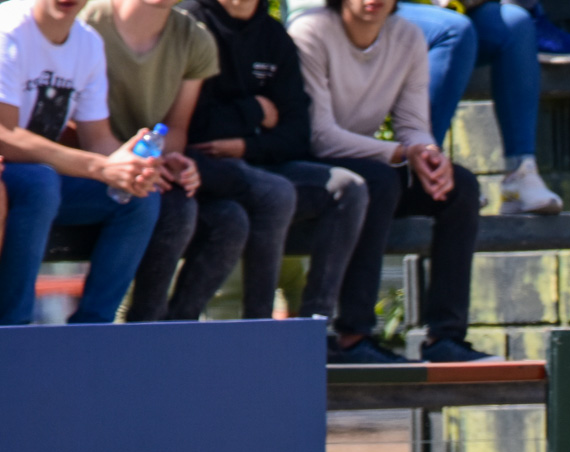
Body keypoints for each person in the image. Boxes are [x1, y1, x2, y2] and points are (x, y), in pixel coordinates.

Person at [290, 0, 486, 363]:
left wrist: (428, 155)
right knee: (380, 182)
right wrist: (400, 153)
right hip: (309, 168)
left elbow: (412, 124)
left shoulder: (408, 35)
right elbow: (319, 135)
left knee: (460, 187)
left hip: (371, 161)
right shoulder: (309, 31)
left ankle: (446, 336)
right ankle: (353, 334)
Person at [284, 0, 570, 214]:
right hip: (353, 9)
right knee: (452, 29)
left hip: (442, 7)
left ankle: (520, 174)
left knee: (515, 22)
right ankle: (427, 169)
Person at [181, 0, 367, 322]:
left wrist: (244, 145)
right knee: (272, 193)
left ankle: (317, 327)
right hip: (200, 167)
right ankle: (258, 324)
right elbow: (195, 126)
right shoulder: (189, 23)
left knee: (347, 188)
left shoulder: (274, 36)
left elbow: (296, 134)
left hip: (259, 161)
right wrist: (255, 111)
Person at [82, 0, 255, 322]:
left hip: (147, 168)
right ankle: (135, 327)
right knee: (172, 210)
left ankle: (175, 333)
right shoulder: (85, 22)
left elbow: (176, 128)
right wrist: (126, 164)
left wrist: (165, 162)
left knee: (228, 220)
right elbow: (72, 126)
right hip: (88, 167)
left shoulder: (195, 38)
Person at [0, 0, 161, 326]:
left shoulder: (88, 42)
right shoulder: (8, 30)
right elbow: (5, 135)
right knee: (39, 182)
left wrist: (130, 167)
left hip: (51, 178)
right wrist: (100, 167)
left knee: (139, 198)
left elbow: (97, 139)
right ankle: (13, 327)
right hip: (14, 176)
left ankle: (94, 330)